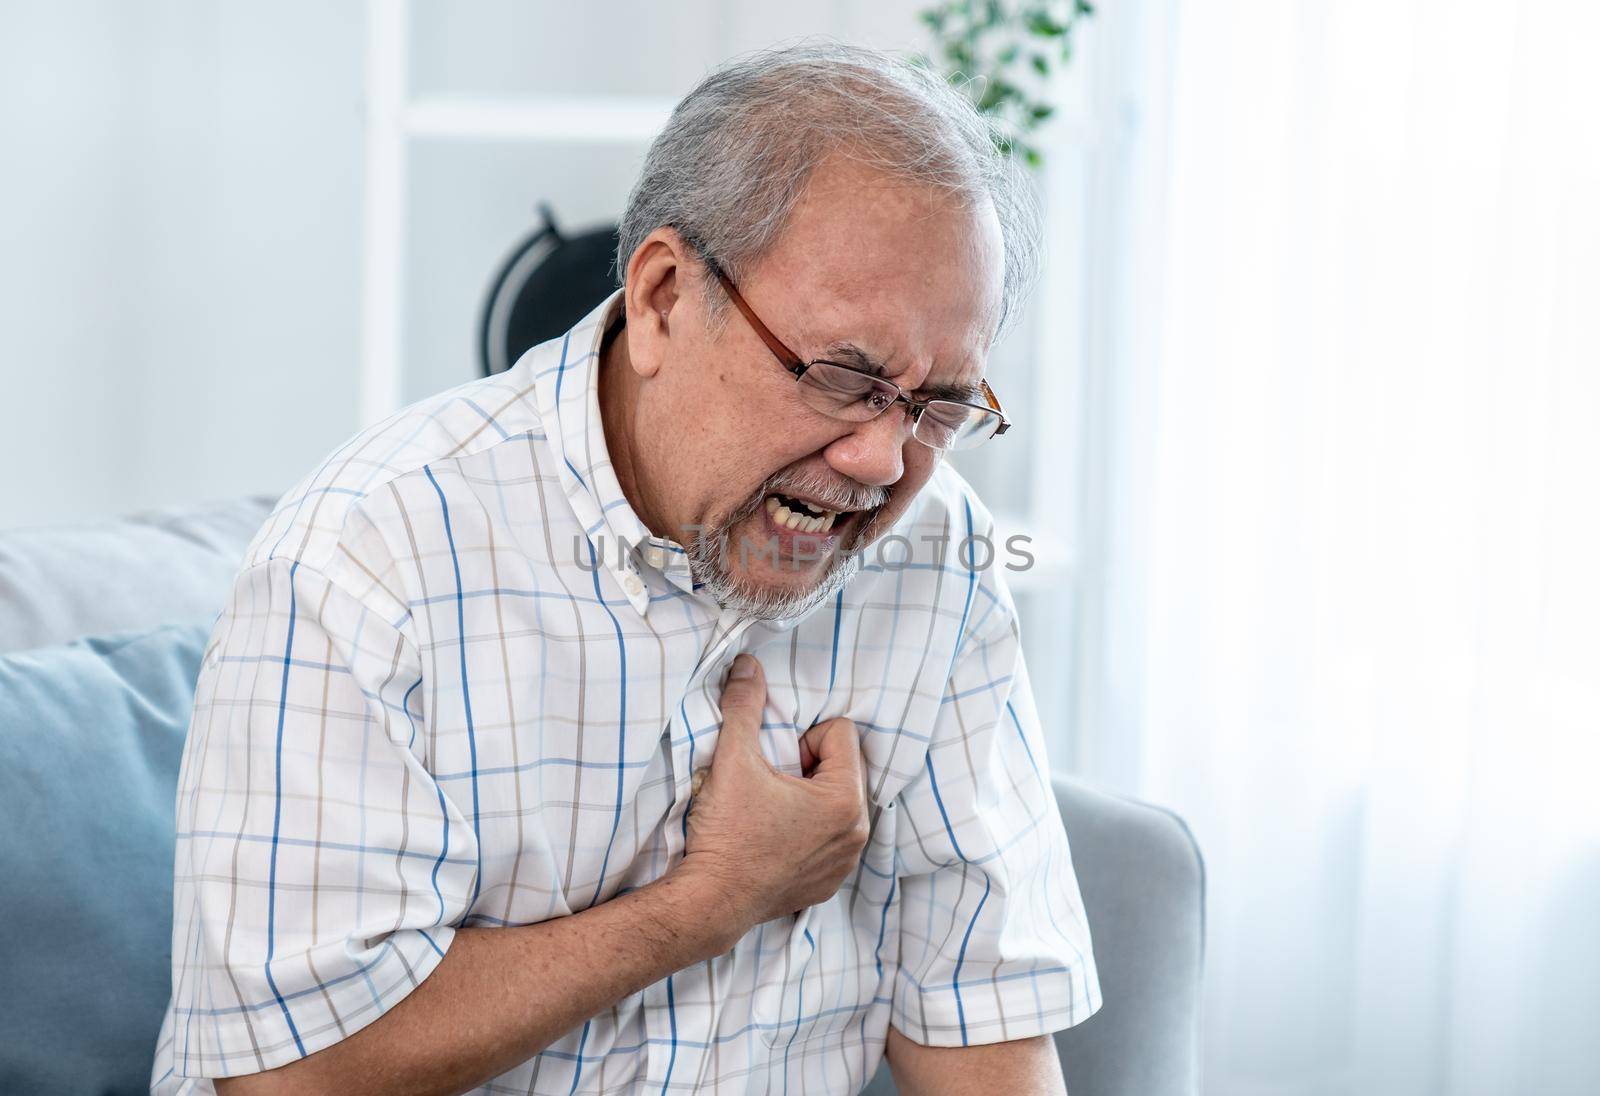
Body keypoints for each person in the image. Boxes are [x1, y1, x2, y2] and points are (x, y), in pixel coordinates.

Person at [151, 40, 1099, 1096]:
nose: (884, 461)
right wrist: (712, 900)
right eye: (843, 378)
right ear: (659, 299)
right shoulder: (364, 557)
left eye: (938, 407)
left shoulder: (941, 556)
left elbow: (983, 1019)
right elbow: (292, 1077)